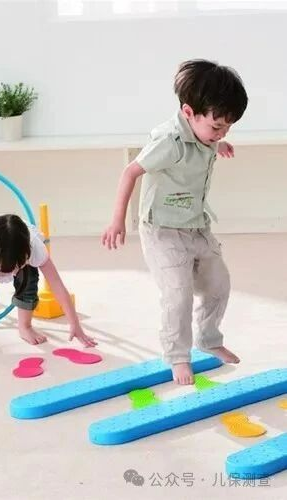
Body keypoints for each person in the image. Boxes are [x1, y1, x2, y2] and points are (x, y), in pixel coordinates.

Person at [102, 59, 248, 385]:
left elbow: (208, 137)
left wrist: (218, 142)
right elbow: (130, 172)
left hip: (196, 225)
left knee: (218, 285)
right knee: (178, 295)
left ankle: (209, 340)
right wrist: (117, 221)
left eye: (227, 128)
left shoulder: (205, 135)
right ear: (188, 113)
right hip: (163, 231)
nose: (221, 133)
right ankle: (178, 356)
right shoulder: (169, 142)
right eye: (217, 127)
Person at [0, 213, 97, 356]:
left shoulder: (34, 247)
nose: (13, 272)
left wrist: (75, 325)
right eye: (7, 269)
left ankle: (25, 326)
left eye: (17, 266)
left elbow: (57, 286)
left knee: (29, 275)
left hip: (14, 248)